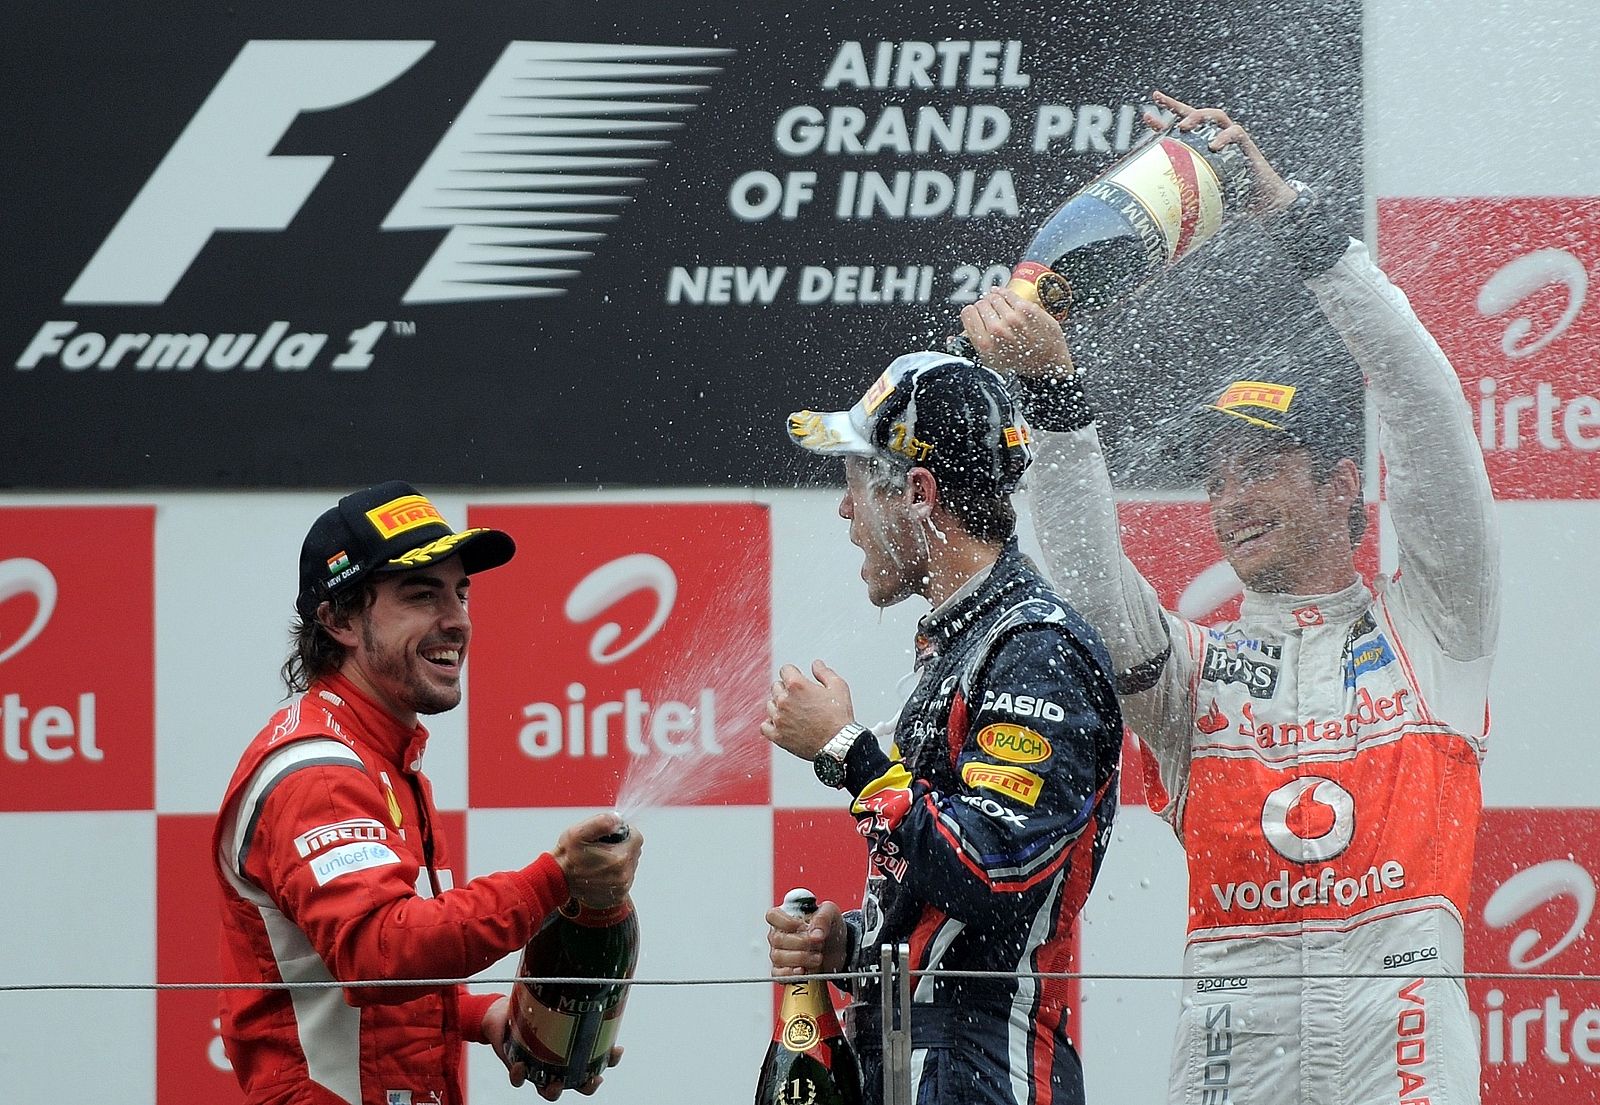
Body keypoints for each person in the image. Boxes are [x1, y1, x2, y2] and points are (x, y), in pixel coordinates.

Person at [960, 91, 1500, 1105]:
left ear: (1340, 485)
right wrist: (1054, 398)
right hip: (1228, 1045)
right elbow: (1091, 588)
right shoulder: (1196, 675)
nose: (1231, 499)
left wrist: (1293, 220)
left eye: (1260, 468)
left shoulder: (1434, 622)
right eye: (1214, 479)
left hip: (1403, 1043)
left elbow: (1425, 406)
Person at [763, 353, 1124, 1105]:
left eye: (857, 482)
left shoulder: (1035, 648)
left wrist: (848, 752)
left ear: (918, 494)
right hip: (918, 1053)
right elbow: (950, 913)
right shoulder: (966, 643)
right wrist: (851, 945)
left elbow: (991, 870)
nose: (845, 511)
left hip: (988, 1068)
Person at [212, 480, 644, 1105]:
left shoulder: (380, 756)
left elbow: (348, 981)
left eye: (459, 593)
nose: (457, 620)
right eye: (421, 595)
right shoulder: (322, 775)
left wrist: (480, 1017)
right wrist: (553, 880)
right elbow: (378, 953)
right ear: (338, 620)